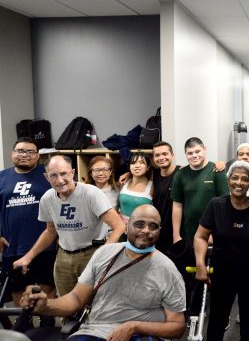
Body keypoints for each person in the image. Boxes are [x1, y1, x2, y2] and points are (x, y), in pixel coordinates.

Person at [20, 204, 186, 341]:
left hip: (142, 335)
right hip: (93, 332)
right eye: (139, 224)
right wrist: (45, 306)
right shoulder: (104, 254)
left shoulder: (167, 269)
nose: (146, 230)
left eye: (153, 226)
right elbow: (76, 299)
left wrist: (133, 326)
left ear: (159, 231)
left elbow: (177, 326)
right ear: (126, 228)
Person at [13, 155, 125, 298]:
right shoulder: (47, 199)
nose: (59, 180)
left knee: (95, 301)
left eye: (63, 174)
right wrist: (28, 257)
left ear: (72, 173)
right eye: (53, 175)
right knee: (65, 303)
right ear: (46, 177)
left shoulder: (91, 193)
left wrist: (103, 254)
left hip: (92, 254)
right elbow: (50, 231)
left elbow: (119, 226)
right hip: (63, 257)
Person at [194, 161, 249, 341]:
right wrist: (200, 264)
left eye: (244, 179)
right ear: (228, 180)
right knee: (217, 320)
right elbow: (200, 236)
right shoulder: (216, 205)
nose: (239, 182)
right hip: (223, 275)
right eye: (235, 178)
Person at [0, 138, 56, 326]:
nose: (24, 155)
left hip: (45, 245)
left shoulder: (48, 175)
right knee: (18, 293)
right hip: (13, 245)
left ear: (38, 156)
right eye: (20, 151)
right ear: (13, 153)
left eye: (30, 152)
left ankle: (47, 328)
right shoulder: (2, 177)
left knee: (46, 291)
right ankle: (25, 328)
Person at [171, 137, 229, 244]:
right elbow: (177, 206)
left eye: (198, 151)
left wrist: (215, 233)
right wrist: (176, 235)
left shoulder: (217, 171)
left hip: (212, 233)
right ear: (185, 154)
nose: (194, 155)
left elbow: (225, 205)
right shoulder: (180, 175)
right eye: (190, 153)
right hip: (187, 233)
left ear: (204, 149)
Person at [150, 141, 180, 252]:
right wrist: (127, 174)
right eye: (157, 155)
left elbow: (201, 168)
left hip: (178, 233)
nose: (161, 157)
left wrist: (219, 164)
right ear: (153, 158)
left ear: (172, 155)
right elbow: (137, 171)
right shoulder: (154, 174)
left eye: (165, 154)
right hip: (158, 232)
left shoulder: (182, 172)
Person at [118, 152, 153, 224]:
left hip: (142, 228)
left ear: (148, 167)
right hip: (122, 227)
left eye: (141, 163)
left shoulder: (152, 186)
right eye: (133, 163)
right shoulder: (123, 182)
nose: (137, 166)